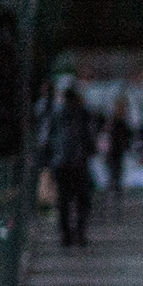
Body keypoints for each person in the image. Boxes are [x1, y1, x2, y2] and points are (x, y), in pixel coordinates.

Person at [46, 88, 96, 247]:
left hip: (60, 164)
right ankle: (80, 233)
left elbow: (48, 139)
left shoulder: (56, 115)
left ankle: (66, 235)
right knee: (82, 200)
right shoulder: (84, 114)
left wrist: (48, 160)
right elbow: (89, 138)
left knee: (64, 200)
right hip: (79, 163)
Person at [104, 94, 133, 206]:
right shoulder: (113, 121)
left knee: (118, 174)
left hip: (120, 152)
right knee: (114, 174)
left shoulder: (124, 121)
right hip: (113, 151)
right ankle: (113, 195)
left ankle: (117, 195)